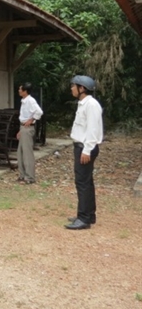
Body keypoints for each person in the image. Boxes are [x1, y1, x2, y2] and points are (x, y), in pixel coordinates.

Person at [65, 75, 103, 230]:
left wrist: (87, 150)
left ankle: (84, 218)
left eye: (74, 86)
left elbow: (93, 130)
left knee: (82, 183)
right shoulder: (83, 104)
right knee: (86, 182)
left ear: (82, 88)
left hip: (85, 148)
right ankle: (89, 214)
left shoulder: (91, 105)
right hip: (81, 146)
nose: (71, 88)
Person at [15, 82, 43, 184]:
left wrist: (31, 120)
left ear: (25, 91)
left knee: (27, 154)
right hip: (23, 127)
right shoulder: (24, 101)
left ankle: (30, 177)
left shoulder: (31, 101)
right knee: (20, 153)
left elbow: (39, 112)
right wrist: (20, 130)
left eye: (20, 89)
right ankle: (22, 175)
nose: (19, 90)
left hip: (28, 128)